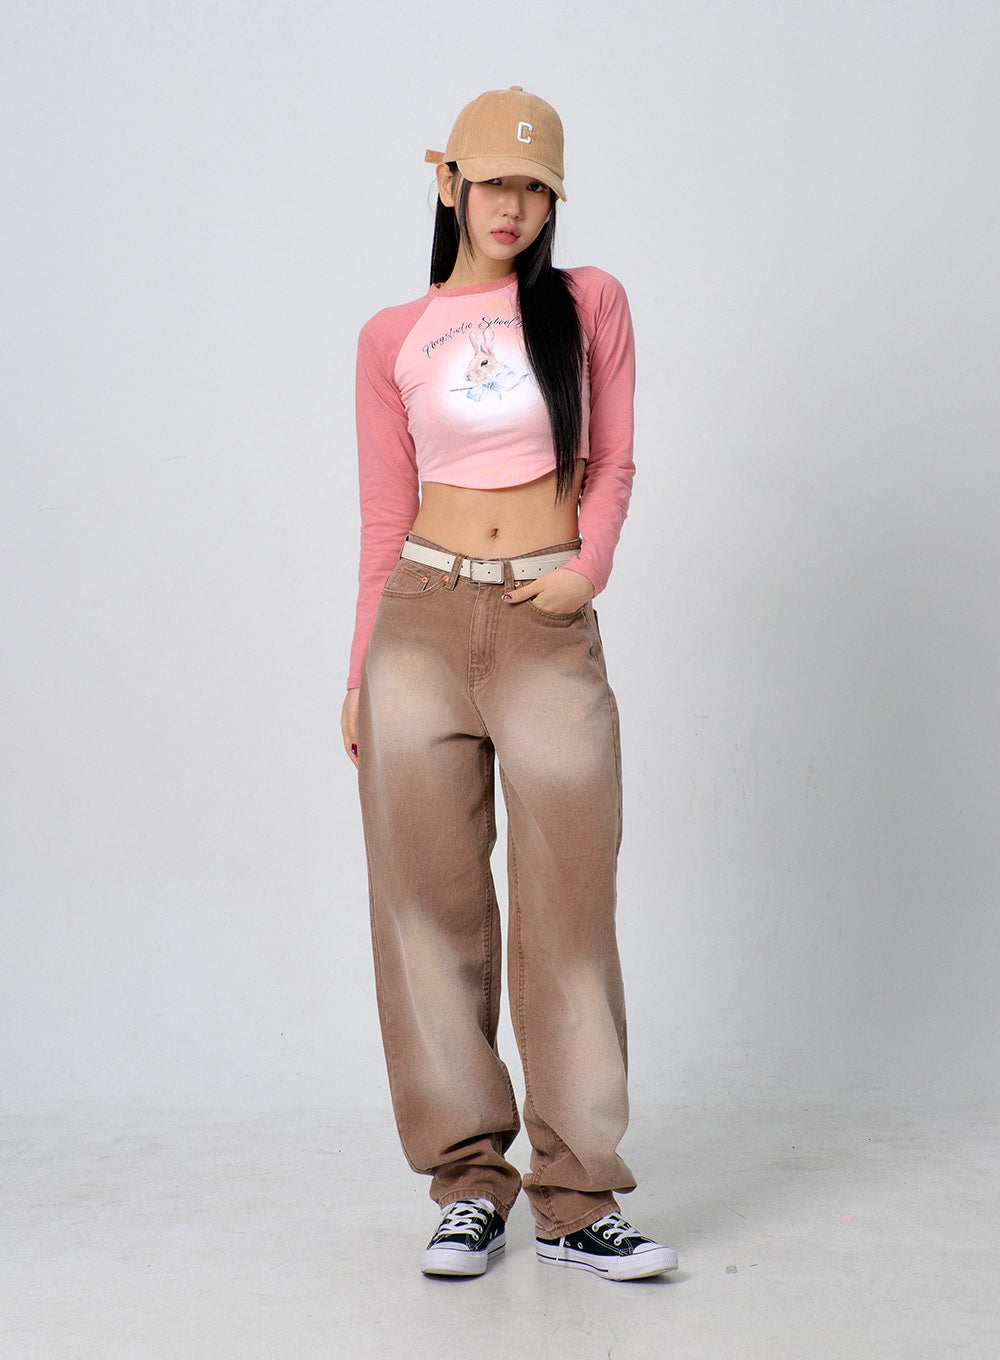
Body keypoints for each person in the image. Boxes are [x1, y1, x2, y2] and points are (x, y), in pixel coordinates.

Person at [340, 86, 678, 1282]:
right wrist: (356, 674)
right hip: (418, 626)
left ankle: (577, 1200)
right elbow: (383, 515)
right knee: (428, 916)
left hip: (545, 619)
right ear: (449, 184)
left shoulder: (589, 304)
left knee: (569, 914)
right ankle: (466, 1187)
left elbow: (614, 459)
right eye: (493, 182)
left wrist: (586, 572)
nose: (513, 206)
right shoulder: (391, 335)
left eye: (535, 187)